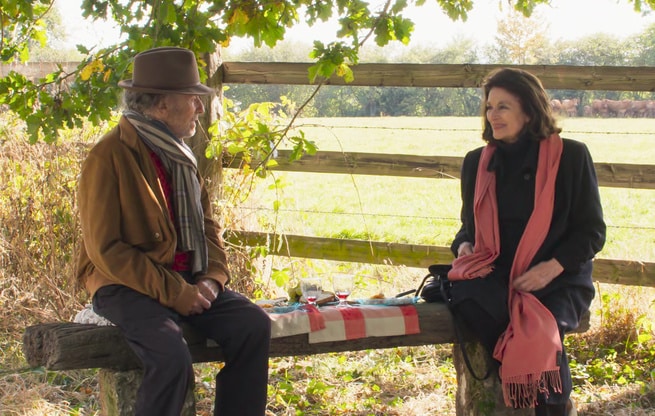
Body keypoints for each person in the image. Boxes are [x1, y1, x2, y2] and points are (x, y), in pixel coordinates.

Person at [76, 47, 271, 416]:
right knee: (170, 356)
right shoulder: (108, 156)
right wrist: (176, 293)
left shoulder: (180, 154)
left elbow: (209, 229)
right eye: (193, 98)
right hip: (124, 283)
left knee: (253, 326)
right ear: (161, 105)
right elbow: (105, 249)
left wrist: (212, 280)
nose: (200, 107)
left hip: (186, 279)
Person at [447, 68, 606, 416]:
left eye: (503, 106)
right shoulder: (477, 162)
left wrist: (551, 268)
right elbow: (466, 230)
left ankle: (548, 406)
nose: (493, 115)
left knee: (540, 331)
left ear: (529, 111)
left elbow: (592, 232)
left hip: (558, 278)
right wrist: (464, 248)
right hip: (499, 276)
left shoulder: (571, 157)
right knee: (471, 301)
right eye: (489, 107)